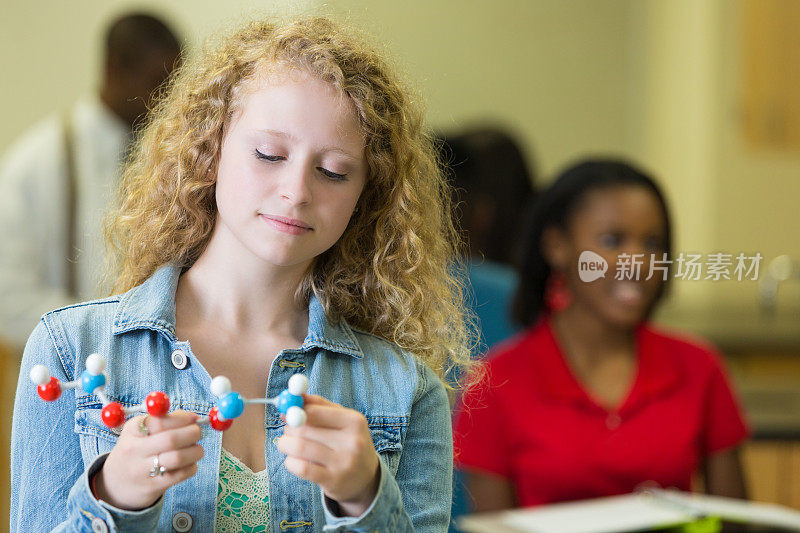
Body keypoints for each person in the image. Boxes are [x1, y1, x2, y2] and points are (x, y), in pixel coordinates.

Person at [11, 16, 471, 532]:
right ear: (210, 150)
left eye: (334, 171)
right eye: (268, 154)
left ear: (368, 196)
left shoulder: (408, 390)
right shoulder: (66, 349)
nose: (297, 191)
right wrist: (114, 497)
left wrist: (366, 502)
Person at [454, 159, 750, 511]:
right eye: (613, 240)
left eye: (652, 243)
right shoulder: (494, 382)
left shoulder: (700, 367)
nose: (637, 262)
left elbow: (736, 521)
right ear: (556, 246)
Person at [0, 13, 181, 350]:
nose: (167, 99)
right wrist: (101, 334)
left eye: (174, 84)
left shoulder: (171, 156)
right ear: (114, 69)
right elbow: (7, 299)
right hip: (69, 374)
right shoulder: (35, 164)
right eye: (158, 81)